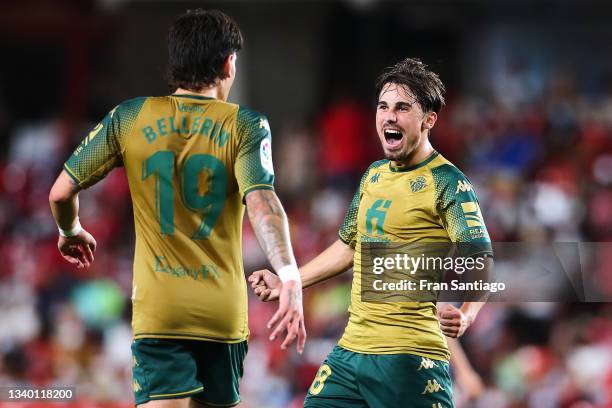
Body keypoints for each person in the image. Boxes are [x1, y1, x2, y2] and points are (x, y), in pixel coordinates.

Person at [49, 9, 305, 408]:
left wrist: (70, 230)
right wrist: (289, 275)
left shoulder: (130, 116)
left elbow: (60, 194)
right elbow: (262, 201)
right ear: (228, 63)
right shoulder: (247, 125)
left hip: (161, 312)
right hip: (222, 313)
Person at [250, 58, 493, 408]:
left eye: (402, 108)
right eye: (383, 106)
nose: (389, 116)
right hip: (351, 353)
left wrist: (467, 313)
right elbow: (348, 247)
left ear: (428, 120)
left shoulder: (447, 181)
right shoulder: (374, 175)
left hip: (408, 359)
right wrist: (290, 281)